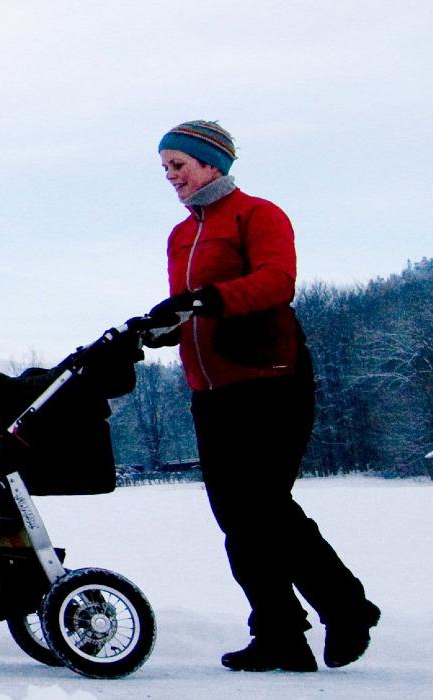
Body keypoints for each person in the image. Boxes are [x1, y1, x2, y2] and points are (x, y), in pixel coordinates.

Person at [143, 120, 379, 672]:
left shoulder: (258, 214)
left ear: (212, 163)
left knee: (264, 507)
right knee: (237, 518)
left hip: (271, 380)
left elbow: (277, 282)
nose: (171, 177)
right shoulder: (181, 235)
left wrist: (205, 299)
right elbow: (188, 307)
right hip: (211, 390)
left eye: (178, 164)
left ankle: (347, 607)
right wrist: (160, 327)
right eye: (166, 168)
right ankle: (279, 635)